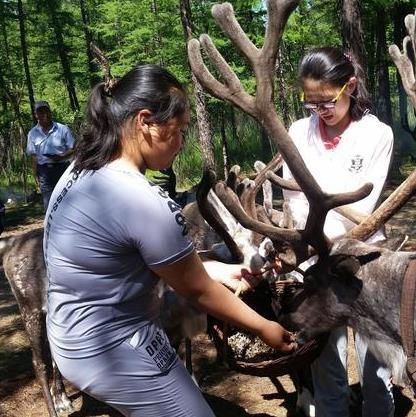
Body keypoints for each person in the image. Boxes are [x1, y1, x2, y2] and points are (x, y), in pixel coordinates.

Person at [43, 64, 296, 417]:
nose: (180, 144)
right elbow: (198, 292)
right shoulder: (139, 198)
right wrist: (265, 327)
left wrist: (223, 270)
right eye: (178, 131)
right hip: (112, 347)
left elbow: (143, 259)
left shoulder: (81, 169)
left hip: (70, 335)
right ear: (145, 121)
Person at [283, 47, 395, 417]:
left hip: (361, 262)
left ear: (350, 85)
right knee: (324, 360)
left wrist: (316, 222)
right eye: (310, 102)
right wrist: (311, 237)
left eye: (327, 100)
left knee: (375, 361)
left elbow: (364, 210)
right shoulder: (297, 133)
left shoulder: (377, 135)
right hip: (312, 263)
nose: (320, 110)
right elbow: (292, 200)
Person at [26, 100, 75, 210]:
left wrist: (62, 156)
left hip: (64, 169)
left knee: (69, 202)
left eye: (46, 110)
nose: (44, 114)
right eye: (40, 112)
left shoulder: (63, 129)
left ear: (50, 111)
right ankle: (52, 227)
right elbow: (34, 157)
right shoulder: (32, 133)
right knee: (49, 205)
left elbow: (74, 149)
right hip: (44, 172)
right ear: (36, 115)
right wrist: (35, 177)